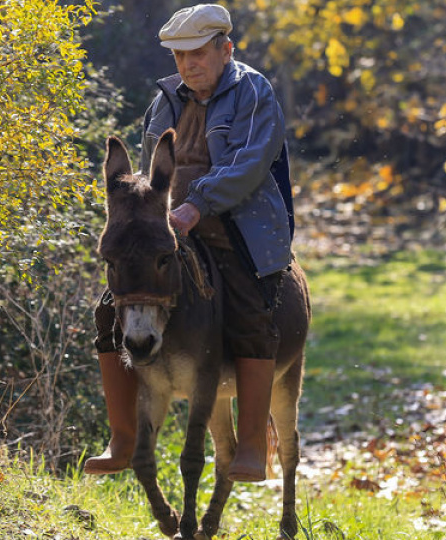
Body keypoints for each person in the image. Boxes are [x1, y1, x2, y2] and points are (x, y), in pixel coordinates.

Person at [85, 3, 294, 483]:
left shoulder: (253, 92)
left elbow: (250, 162)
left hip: (240, 223)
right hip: (173, 225)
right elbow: (148, 174)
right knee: (108, 306)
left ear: (226, 49)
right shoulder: (165, 100)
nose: (187, 65)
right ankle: (123, 438)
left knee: (250, 308)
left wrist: (197, 204)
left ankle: (252, 446)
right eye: (179, 57)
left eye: (197, 54)